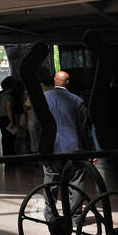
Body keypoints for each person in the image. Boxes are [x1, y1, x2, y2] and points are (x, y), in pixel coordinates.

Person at [40, 70, 97, 213]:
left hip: (51, 148)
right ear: (68, 82)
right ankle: (75, 216)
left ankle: (51, 215)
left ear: (54, 81)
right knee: (76, 182)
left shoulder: (43, 99)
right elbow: (85, 129)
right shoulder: (77, 100)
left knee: (50, 182)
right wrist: (91, 150)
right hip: (73, 148)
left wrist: (38, 145)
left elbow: (37, 126)